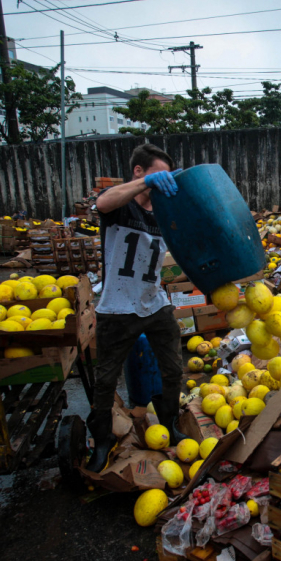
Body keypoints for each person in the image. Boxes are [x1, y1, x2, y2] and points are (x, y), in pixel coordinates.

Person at [87, 143, 183, 472]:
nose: (162, 183)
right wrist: (146, 183)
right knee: (105, 379)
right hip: (117, 307)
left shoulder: (165, 213)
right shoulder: (120, 206)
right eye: (158, 176)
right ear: (139, 172)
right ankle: (102, 439)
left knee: (174, 369)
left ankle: (169, 424)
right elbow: (103, 202)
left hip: (154, 304)